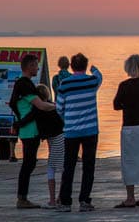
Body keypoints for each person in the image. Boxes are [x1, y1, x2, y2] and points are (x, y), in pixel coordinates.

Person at [56, 53, 103, 212]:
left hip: (71, 131)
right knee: (89, 166)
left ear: (71, 66)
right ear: (85, 65)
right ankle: (84, 200)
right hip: (90, 130)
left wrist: (68, 119)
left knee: (68, 166)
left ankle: (65, 201)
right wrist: (94, 69)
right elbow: (99, 76)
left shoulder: (64, 84)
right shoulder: (92, 81)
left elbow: (59, 108)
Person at [10, 54, 58, 209]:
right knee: (28, 164)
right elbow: (41, 106)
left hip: (26, 129)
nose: (37, 68)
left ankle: (22, 197)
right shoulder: (25, 84)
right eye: (36, 66)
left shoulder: (22, 84)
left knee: (29, 163)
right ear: (29, 66)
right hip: (29, 131)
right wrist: (58, 107)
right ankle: (22, 198)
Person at [112, 54, 139, 208]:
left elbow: (116, 105)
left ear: (127, 68)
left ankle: (130, 197)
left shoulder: (124, 85)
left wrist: (128, 105)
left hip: (131, 126)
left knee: (129, 161)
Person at [34, 84, 64, 209]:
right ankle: (60, 197)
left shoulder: (40, 111)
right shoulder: (54, 106)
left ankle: (54, 200)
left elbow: (45, 132)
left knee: (52, 168)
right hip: (63, 136)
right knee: (63, 169)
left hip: (57, 139)